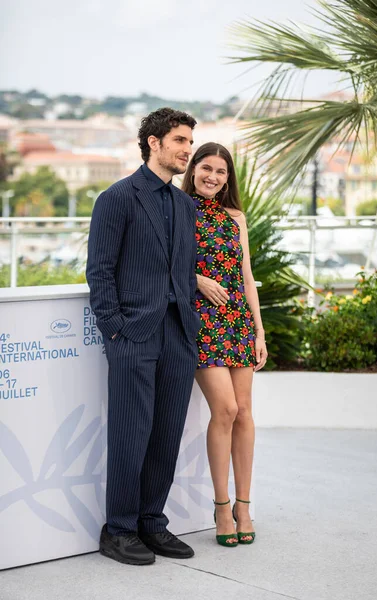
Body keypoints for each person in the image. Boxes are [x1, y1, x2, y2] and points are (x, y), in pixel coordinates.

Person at [86, 108, 200, 566]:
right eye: (179, 141)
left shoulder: (183, 204)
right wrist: (115, 329)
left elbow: (183, 269)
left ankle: (152, 522)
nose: (187, 150)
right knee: (132, 434)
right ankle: (119, 530)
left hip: (177, 334)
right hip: (133, 333)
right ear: (153, 142)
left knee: (167, 433)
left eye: (190, 142)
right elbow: (100, 272)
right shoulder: (117, 198)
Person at [182, 142, 268, 547]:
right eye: (206, 168)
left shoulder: (236, 217)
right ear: (193, 169)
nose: (213, 177)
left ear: (228, 177)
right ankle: (220, 505)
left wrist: (259, 330)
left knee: (246, 412)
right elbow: (165, 264)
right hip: (201, 322)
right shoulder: (177, 209)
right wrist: (196, 279)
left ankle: (244, 505)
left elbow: (247, 276)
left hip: (236, 322)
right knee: (227, 408)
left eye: (221, 171)